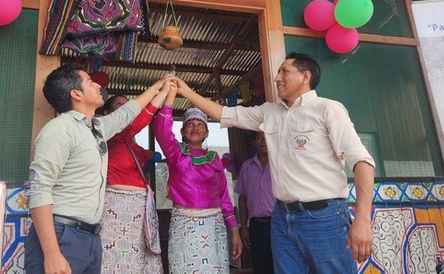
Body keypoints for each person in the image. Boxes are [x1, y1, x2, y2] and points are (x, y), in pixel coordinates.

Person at [174, 52, 375, 273]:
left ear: (305, 76)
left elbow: (362, 162)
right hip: (280, 217)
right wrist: (185, 91)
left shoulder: (327, 109)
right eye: (278, 72)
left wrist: (363, 220)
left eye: (284, 71)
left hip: (323, 217)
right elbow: (225, 113)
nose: (277, 77)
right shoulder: (269, 112)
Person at [24, 63, 173, 274]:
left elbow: (129, 113)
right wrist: (51, 253)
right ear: (76, 93)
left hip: (90, 237)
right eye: (90, 81)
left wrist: (160, 87)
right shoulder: (60, 129)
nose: (98, 86)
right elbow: (39, 189)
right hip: (62, 233)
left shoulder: (96, 128)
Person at [153, 85, 242, 274]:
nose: (195, 127)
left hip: (214, 226)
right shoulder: (176, 152)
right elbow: (161, 129)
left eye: (200, 124)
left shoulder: (214, 159)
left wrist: (234, 230)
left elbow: (224, 197)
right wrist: (171, 95)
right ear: (183, 131)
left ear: (207, 133)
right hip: (185, 224)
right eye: (190, 124)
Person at [99, 94, 165, 273]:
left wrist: (152, 155)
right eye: (119, 104)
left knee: (140, 256)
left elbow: (150, 155)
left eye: (129, 106)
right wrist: (161, 95)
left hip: (140, 206)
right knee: (113, 257)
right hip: (115, 206)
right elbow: (132, 127)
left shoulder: (133, 146)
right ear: (107, 113)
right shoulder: (107, 135)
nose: (126, 108)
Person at [235, 131, 275, 274]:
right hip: (256, 225)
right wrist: (244, 227)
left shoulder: (280, 165)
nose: (263, 141)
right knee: (259, 265)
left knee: (279, 263)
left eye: (266, 137)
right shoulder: (247, 166)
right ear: (253, 142)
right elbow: (242, 197)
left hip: (277, 223)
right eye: (259, 137)